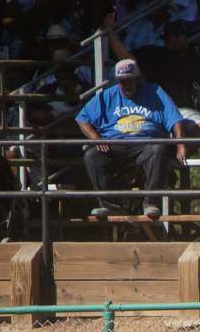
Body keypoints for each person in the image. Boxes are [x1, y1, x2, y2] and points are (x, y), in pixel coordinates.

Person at [75, 58, 188, 221]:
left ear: (138, 78)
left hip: (146, 143)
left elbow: (175, 119)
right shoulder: (108, 95)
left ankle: (151, 202)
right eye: (122, 81)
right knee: (92, 156)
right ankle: (109, 206)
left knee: (158, 149)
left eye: (130, 80)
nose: (126, 85)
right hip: (114, 145)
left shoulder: (155, 91)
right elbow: (82, 118)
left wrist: (181, 146)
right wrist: (96, 139)